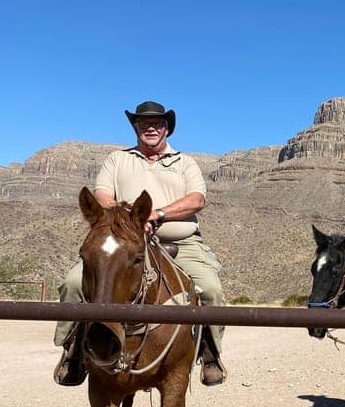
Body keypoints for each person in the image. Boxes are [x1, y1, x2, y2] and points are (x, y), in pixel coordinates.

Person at [53, 100, 228, 387]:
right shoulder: (117, 159)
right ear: (135, 127)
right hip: (125, 241)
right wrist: (127, 221)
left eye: (157, 123)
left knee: (210, 289)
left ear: (166, 129)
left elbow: (197, 200)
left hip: (180, 241)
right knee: (73, 283)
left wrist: (157, 214)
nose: (150, 127)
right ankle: (72, 351)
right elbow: (102, 195)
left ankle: (210, 354)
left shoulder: (185, 162)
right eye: (144, 123)